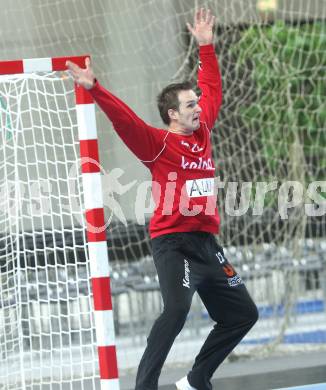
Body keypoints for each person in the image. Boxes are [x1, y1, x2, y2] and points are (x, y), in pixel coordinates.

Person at [67, 8, 258, 390]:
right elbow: (126, 122)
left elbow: (213, 88)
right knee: (175, 310)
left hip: (207, 245)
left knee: (242, 314)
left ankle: (196, 378)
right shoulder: (157, 144)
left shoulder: (202, 130)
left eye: (196, 103)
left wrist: (206, 46)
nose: (198, 107)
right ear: (172, 114)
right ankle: (145, 386)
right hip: (174, 244)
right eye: (190, 105)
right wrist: (96, 88)